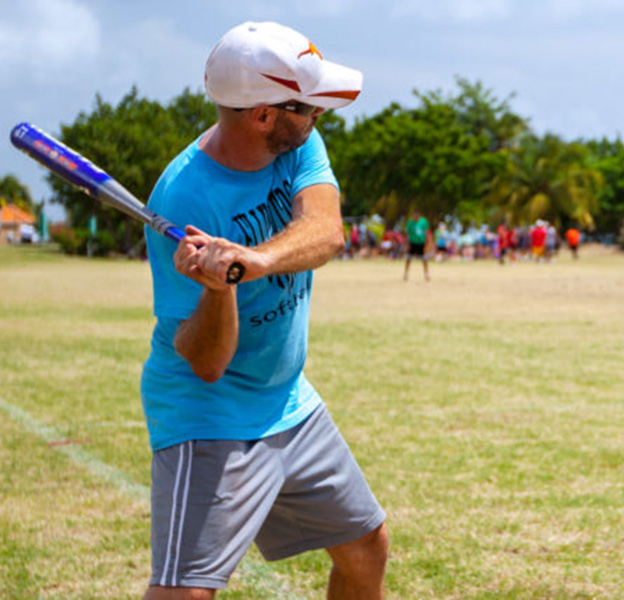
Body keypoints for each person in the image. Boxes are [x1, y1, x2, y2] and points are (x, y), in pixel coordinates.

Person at [141, 22, 388, 599]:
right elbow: (205, 362)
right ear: (263, 115)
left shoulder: (300, 142)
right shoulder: (184, 197)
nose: (319, 116)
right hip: (211, 416)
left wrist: (250, 260)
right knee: (185, 592)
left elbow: (325, 232)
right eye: (309, 107)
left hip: (288, 401)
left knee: (365, 545)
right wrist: (218, 287)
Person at [403, 209, 430, 281]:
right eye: (414, 215)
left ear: (419, 215)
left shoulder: (423, 222)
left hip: (421, 243)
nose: (416, 216)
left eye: (417, 215)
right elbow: (407, 233)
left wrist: (428, 242)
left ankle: (426, 274)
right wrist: (406, 243)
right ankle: (406, 273)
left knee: (424, 259)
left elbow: (426, 232)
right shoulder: (410, 222)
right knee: (408, 258)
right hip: (412, 242)